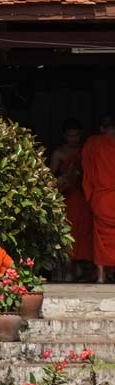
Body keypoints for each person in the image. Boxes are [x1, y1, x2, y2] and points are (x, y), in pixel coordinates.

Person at [50, 118, 93, 281]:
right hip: (67, 198)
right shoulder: (59, 153)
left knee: (84, 233)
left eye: (76, 136)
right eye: (70, 136)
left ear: (81, 135)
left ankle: (85, 269)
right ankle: (69, 270)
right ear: (64, 136)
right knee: (69, 232)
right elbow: (51, 178)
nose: (73, 139)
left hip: (84, 196)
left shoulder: (86, 150)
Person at [83, 115, 115, 283]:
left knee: (100, 237)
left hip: (102, 198)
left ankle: (101, 276)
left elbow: (87, 170)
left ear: (102, 128)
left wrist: (89, 194)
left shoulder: (94, 143)